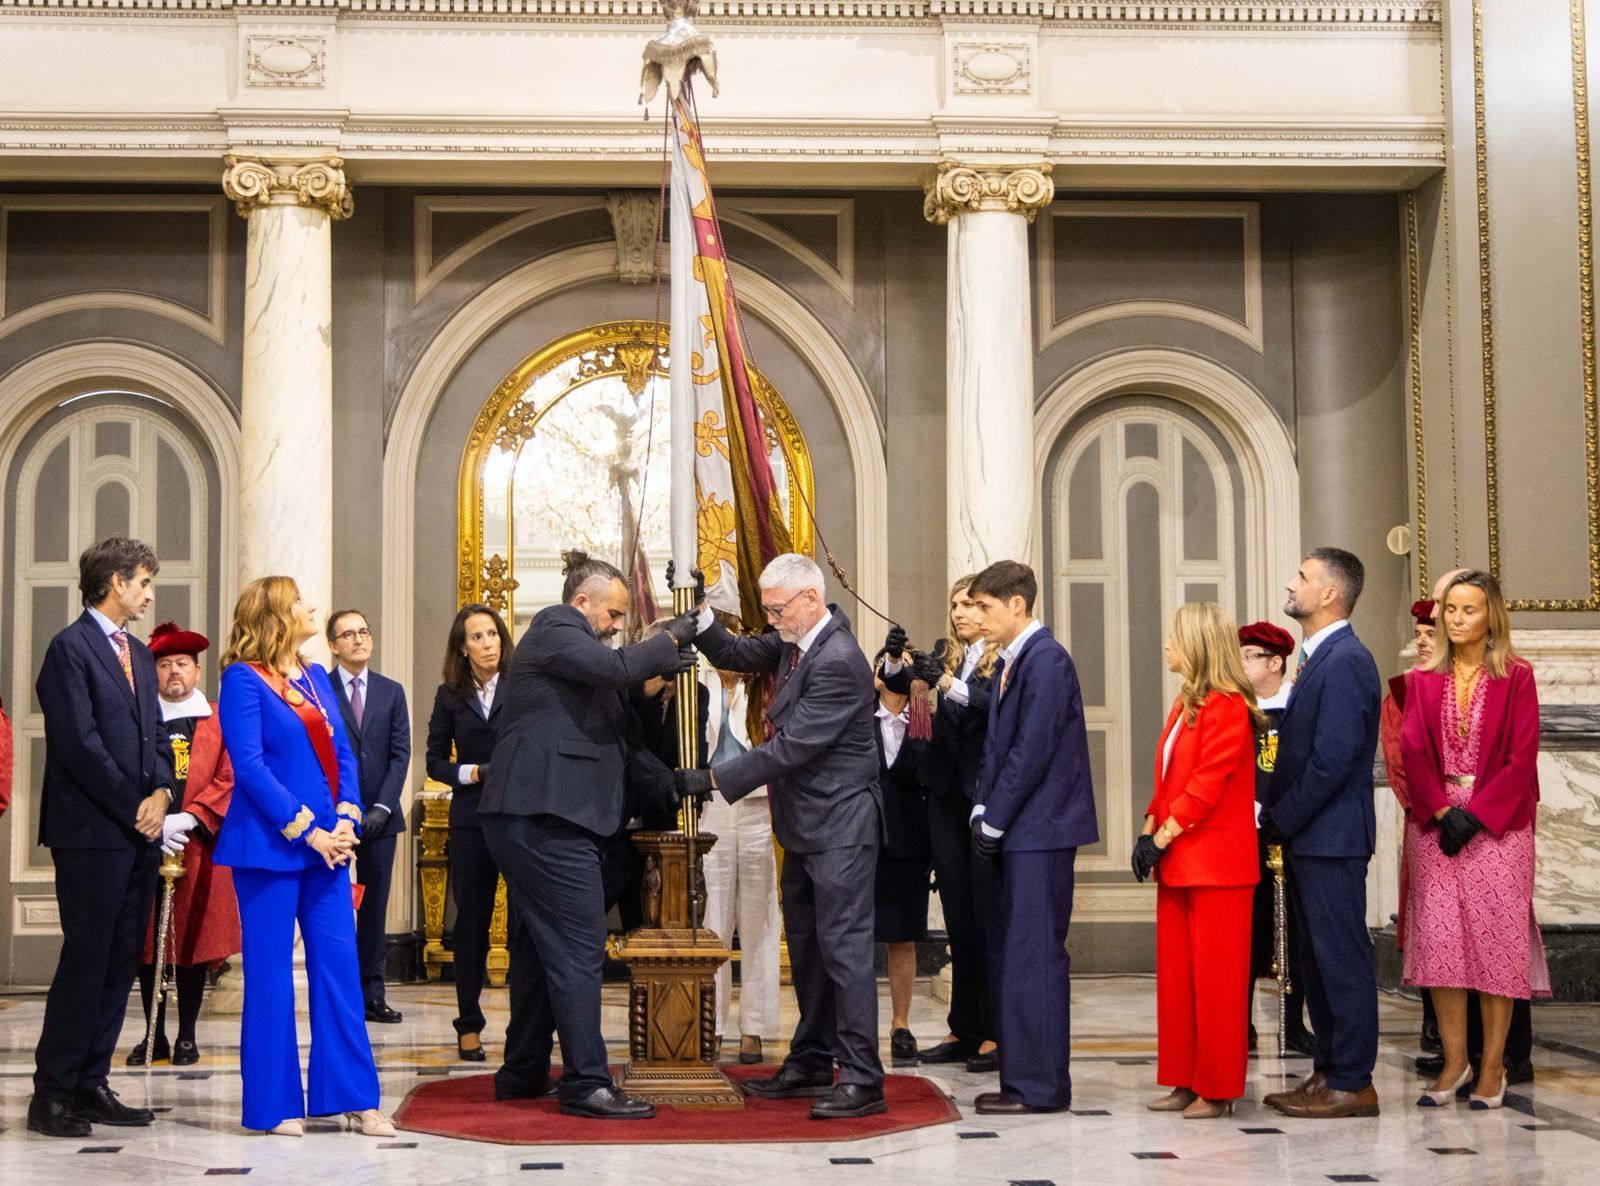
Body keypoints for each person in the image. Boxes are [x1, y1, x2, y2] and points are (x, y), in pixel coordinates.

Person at [478, 550, 699, 1120]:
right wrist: (669, 638)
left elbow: (623, 740)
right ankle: (586, 1083)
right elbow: (619, 669)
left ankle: (523, 1071)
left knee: (537, 948)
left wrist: (681, 780)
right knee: (578, 949)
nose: (618, 625)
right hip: (545, 818)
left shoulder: (583, 662)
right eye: (614, 613)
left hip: (546, 817)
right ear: (582, 603)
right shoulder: (555, 624)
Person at [675, 554, 886, 1120]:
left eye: (775, 609)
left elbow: (792, 748)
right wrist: (698, 610)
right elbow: (735, 653)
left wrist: (713, 778)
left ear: (810, 599)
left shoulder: (838, 658)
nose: (769, 620)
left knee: (844, 953)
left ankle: (863, 1077)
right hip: (804, 826)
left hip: (841, 826)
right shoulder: (796, 641)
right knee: (812, 953)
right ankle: (812, 1061)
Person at [215, 576, 390, 1138]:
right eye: (300, 601)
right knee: (268, 977)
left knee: (339, 970)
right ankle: (274, 1105)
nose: (312, 606)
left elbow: (344, 754)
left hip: (328, 853)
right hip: (269, 850)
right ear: (276, 615)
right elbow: (249, 768)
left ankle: (356, 1099)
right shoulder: (243, 679)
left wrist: (345, 818)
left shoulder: (316, 677)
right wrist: (308, 831)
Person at [29, 537, 174, 1138]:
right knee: (86, 961)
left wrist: (163, 794)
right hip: (90, 833)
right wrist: (134, 807)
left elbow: (158, 741)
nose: (146, 593)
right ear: (115, 582)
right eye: (142, 582)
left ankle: (92, 1084)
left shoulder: (139, 655)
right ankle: (53, 1094)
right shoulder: (69, 649)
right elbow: (79, 746)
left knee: (120, 963)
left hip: (136, 832)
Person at [1401, 569, 1549, 1110]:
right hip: (1436, 825)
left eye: (1470, 610)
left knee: (1495, 946)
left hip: (1500, 827)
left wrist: (1478, 814)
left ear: (1492, 617)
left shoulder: (1518, 675)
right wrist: (1442, 810)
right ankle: (1454, 1062)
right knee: (1442, 944)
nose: (1457, 619)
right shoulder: (1421, 679)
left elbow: (1521, 756)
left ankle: (1492, 1068)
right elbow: (1412, 750)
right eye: (1451, 610)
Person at [965, 559, 1098, 1116]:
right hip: (1020, 829)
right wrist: (981, 807)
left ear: (1017, 604)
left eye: (985, 606)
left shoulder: (1046, 660)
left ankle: (1039, 1087)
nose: (976, 616)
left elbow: (1033, 749)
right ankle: (1021, 1079)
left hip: (1039, 832)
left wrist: (994, 819)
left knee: (1035, 959)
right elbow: (999, 747)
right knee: (1016, 958)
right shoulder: (1014, 662)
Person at [1259, 548, 1383, 1120]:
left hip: (1330, 839)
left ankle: (1354, 1081)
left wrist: (1278, 819)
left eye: (1303, 576)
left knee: (1340, 961)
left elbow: (1332, 763)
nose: (1292, 582)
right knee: (1316, 962)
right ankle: (1329, 1071)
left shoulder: (1348, 661)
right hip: (1313, 838)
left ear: (1330, 594)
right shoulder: (1320, 658)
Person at [1133, 602, 1260, 1119]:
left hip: (1217, 867)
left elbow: (1206, 785)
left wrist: (1160, 838)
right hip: (1180, 860)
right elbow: (1167, 780)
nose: (1166, 645)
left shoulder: (1229, 705)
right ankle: (1186, 1079)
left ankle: (1220, 1087)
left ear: (1200, 645)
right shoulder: (1187, 702)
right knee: (1180, 981)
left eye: (1174, 637)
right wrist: (1148, 830)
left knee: (1217, 984)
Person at [127, 621, 240, 1068]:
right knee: (147, 940)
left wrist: (193, 816)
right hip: (146, 840)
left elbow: (232, 775)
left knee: (193, 942)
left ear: (196, 670)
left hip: (200, 843)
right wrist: (152, 821)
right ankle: (153, 1035)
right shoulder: (139, 718)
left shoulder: (219, 718)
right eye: (165, 664)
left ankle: (188, 1035)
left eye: (182, 665)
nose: (174, 673)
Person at [914, 578, 1001, 1074]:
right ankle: (963, 1026)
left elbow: (994, 708)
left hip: (982, 799)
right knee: (958, 919)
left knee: (986, 917)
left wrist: (949, 686)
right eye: (954, 604)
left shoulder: (1005, 658)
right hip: (944, 798)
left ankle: (993, 1029)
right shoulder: (949, 654)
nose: (960, 612)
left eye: (970, 603)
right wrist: (900, 668)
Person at [424, 602, 513, 1062]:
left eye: (493, 634)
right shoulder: (448, 696)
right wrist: (473, 773)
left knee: (524, 924)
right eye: (477, 637)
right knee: (471, 925)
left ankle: (526, 1027)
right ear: (463, 648)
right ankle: (469, 1026)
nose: (488, 643)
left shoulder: (520, 687)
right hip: (471, 818)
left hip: (519, 817)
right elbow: (435, 761)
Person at [326, 609, 411, 1025]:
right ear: (332, 645)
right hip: (331, 822)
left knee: (374, 907)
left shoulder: (391, 691)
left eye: (363, 631)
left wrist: (381, 806)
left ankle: (372, 993)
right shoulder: (318, 690)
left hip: (381, 818)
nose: (358, 639)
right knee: (334, 907)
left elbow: (401, 754)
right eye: (348, 634)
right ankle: (339, 995)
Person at [699, 649, 781, 1065]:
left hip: (755, 806)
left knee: (758, 920)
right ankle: (710, 1025)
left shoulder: (763, 686)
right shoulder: (699, 682)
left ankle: (754, 1026)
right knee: (712, 919)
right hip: (710, 804)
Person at [1238, 619, 1313, 1057]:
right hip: (1244, 836)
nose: (1242, 663)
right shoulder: (1237, 709)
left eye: (1250, 656)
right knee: (1248, 932)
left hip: (1287, 833)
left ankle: (1293, 1022)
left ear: (1275, 662)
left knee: (1293, 934)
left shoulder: (1296, 709)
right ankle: (1241, 1023)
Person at [1378, 599, 1437, 1060]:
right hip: (1429, 825)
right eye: (1418, 632)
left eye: (1430, 633)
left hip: (1484, 828)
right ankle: (1437, 1031)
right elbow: (1399, 766)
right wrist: (1437, 812)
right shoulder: (1401, 693)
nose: (1421, 641)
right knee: (1432, 930)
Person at [871, 643, 932, 1068]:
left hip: (909, 844)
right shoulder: (858, 718)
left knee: (902, 938)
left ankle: (900, 1024)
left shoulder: (926, 721)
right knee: (852, 938)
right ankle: (853, 1027)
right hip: (863, 841)